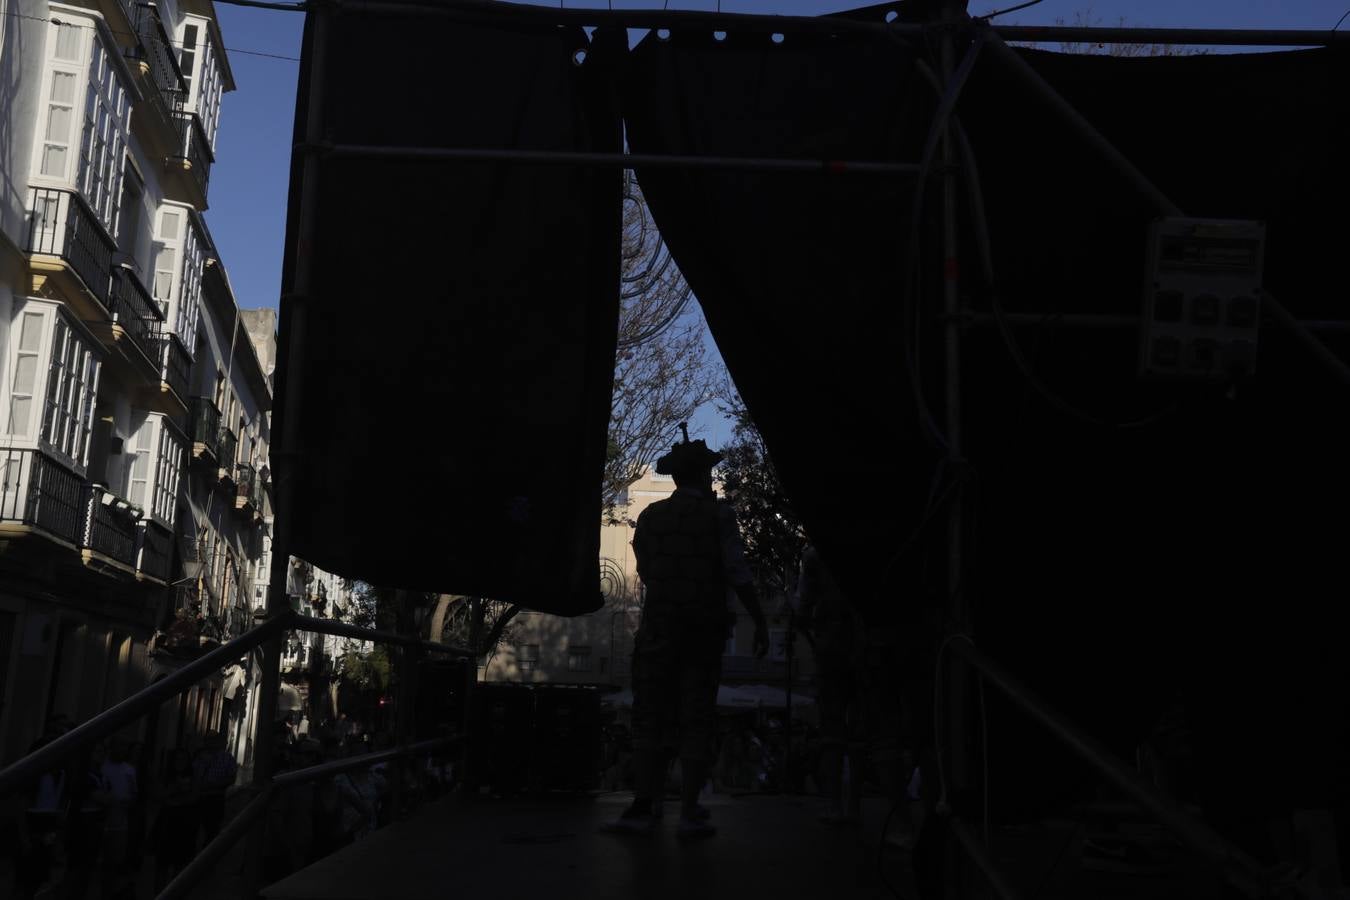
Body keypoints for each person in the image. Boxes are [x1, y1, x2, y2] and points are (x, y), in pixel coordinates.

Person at [603, 425, 768, 840]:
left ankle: (646, 804)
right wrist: (758, 618)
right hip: (703, 632)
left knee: (650, 715)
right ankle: (690, 809)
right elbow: (736, 570)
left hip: (658, 629)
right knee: (696, 716)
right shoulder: (720, 516)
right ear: (702, 476)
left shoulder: (651, 517)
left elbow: (646, 569)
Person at [797, 542, 864, 826]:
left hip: (831, 645)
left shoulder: (817, 555)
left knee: (832, 729)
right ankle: (854, 804)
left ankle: (833, 803)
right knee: (863, 729)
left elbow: (803, 608)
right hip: (867, 646)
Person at [152, 748, 199, 892]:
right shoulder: (166, 777)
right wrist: (175, 789)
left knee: (181, 861)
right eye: (177, 759)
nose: (180, 763)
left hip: (184, 822)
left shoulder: (193, 777)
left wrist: (176, 799)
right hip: (166, 822)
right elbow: (159, 795)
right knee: (162, 862)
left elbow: (194, 797)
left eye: (183, 760)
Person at [193, 732, 237, 845]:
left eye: (213, 740)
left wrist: (216, 785)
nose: (210, 743)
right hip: (198, 796)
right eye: (208, 740)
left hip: (215, 797)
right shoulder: (198, 756)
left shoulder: (227, 758)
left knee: (212, 828)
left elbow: (231, 778)